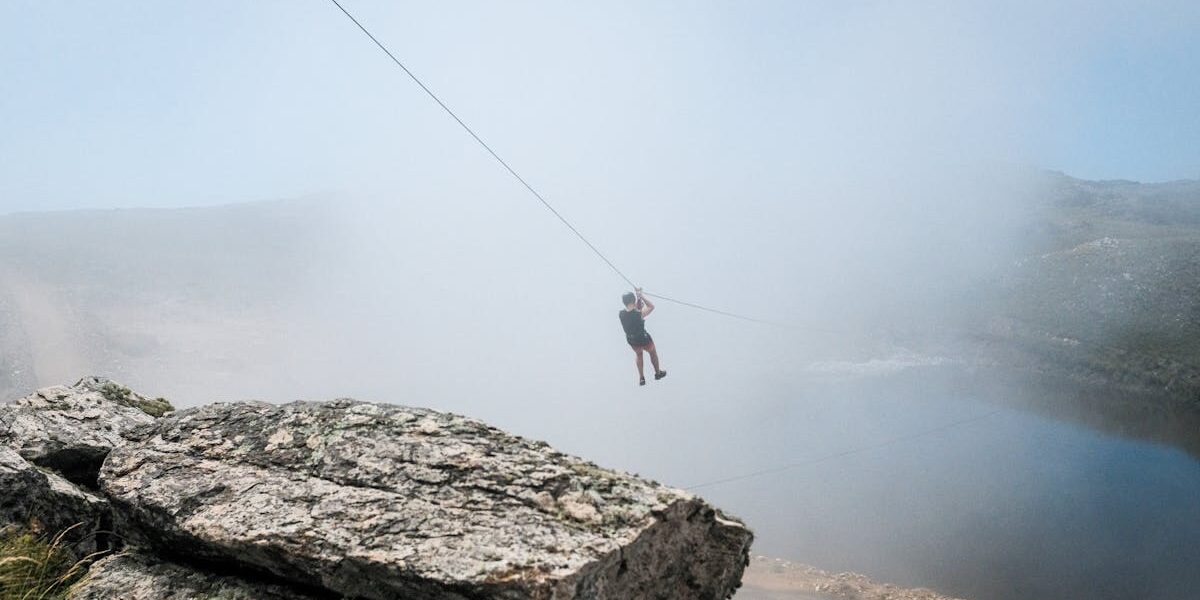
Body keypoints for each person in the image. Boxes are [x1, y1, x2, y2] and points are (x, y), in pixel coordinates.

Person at [619, 288, 666, 386]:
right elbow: (651, 306)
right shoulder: (639, 314)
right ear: (633, 300)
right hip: (644, 340)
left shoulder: (621, 314)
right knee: (652, 352)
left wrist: (638, 297)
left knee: (639, 355)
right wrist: (641, 296)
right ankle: (657, 373)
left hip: (632, 341)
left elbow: (633, 309)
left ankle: (641, 378)